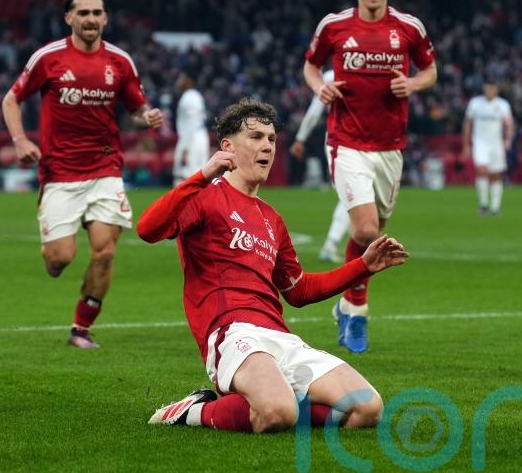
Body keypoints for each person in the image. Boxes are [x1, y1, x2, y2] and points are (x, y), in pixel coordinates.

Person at [138, 97, 408, 433]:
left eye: (271, 139)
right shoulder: (204, 197)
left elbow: (298, 290)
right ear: (227, 147)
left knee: (367, 407)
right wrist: (202, 175)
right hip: (233, 334)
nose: (267, 145)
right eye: (256, 138)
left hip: (280, 338)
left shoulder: (271, 218)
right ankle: (193, 411)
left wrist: (362, 265)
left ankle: (270, 403)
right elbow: (147, 229)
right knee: (277, 412)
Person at [1, 0, 164, 348]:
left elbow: (135, 108)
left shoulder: (120, 61)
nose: (90, 19)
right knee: (60, 259)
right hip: (59, 173)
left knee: (105, 251)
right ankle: (53, 255)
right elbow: (11, 100)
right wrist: (20, 140)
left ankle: (80, 328)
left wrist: (146, 116)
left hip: (106, 169)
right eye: (83, 12)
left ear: (105, 18)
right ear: (69, 17)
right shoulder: (48, 58)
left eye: (96, 13)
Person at [303, 0, 437, 352]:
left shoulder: (409, 28)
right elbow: (310, 65)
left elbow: (431, 71)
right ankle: (358, 311)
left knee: (370, 236)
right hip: (345, 141)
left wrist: (412, 84)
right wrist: (319, 87)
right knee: (364, 230)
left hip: (390, 147)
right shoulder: (335, 26)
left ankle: (345, 304)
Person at [289, 70, 350, 264]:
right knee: (351, 193)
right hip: (340, 141)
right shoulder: (332, 77)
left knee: (357, 194)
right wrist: (300, 138)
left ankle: (347, 243)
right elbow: (315, 111)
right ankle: (332, 244)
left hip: (362, 142)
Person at [460, 80, 514, 216]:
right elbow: (467, 124)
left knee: (497, 174)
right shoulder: (475, 103)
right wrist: (466, 145)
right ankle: (484, 205)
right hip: (480, 142)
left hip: (496, 143)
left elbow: (509, 124)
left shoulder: (502, 105)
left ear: (496, 90)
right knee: (482, 170)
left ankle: (495, 208)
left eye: (492, 89)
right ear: (484, 89)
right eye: (487, 89)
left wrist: (508, 139)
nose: (489, 92)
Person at [172, 72, 210, 185]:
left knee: (184, 174)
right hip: (200, 135)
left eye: (182, 79)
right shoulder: (196, 95)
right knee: (200, 174)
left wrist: (185, 147)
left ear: (188, 81)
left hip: (192, 138)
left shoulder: (188, 97)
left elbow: (191, 123)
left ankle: (183, 202)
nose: (179, 82)